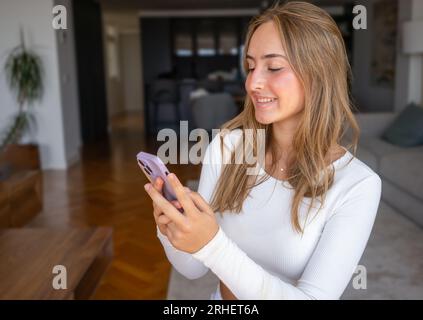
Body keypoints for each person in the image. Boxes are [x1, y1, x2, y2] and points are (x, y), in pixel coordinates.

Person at [144, 1, 382, 300]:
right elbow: (192, 268)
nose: (253, 82)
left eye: (274, 67)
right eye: (251, 66)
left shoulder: (357, 184)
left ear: (318, 73)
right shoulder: (226, 147)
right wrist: (171, 226)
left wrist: (213, 243)